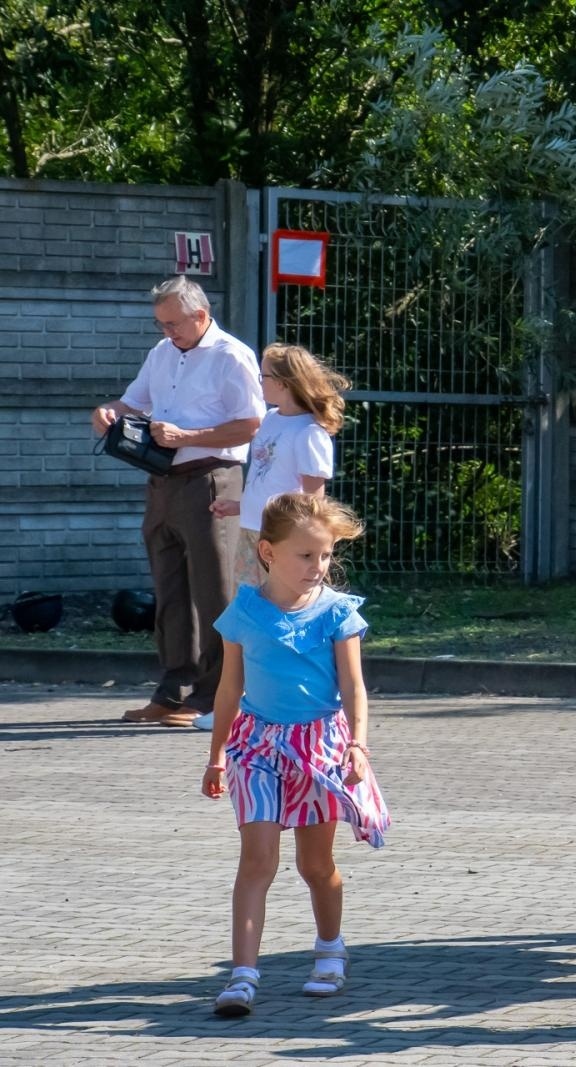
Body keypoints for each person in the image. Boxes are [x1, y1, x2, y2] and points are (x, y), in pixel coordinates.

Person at [200, 492, 389, 1017]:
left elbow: (354, 687)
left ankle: (330, 952)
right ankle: (242, 978)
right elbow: (227, 691)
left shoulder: (337, 613)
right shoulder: (244, 611)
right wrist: (217, 755)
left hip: (320, 748)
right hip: (256, 746)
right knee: (257, 861)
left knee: (316, 864)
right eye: (306, 555)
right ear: (268, 552)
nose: (318, 566)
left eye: (325, 555)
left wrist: (357, 743)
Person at [92, 277, 265, 729]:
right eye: (161, 324)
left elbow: (251, 424)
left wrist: (189, 437)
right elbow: (132, 402)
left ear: (201, 315)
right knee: (169, 591)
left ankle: (215, 696)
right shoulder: (162, 353)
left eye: (173, 324)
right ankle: (173, 691)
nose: (167, 333)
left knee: (214, 591)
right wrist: (108, 411)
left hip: (212, 479)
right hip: (163, 480)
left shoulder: (232, 356)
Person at [194, 343, 348, 732]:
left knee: (277, 619)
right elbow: (267, 480)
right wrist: (239, 506)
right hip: (253, 534)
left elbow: (312, 501)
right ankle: (238, 704)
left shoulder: (311, 432)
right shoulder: (271, 419)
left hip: (281, 544)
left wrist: (297, 550)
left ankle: (279, 703)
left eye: (263, 376)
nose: (259, 382)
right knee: (249, 616)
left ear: (282, 382)